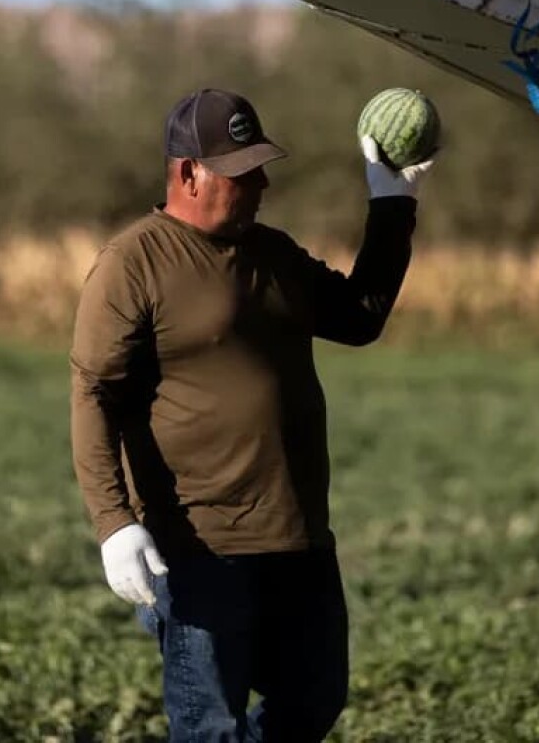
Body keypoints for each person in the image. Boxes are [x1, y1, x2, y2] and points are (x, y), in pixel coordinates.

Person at [70, 88, 434, 741]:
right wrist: (114, 523)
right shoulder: (133, 263)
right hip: (203, 545)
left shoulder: (273, 252)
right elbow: (94, 394)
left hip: (297, 535)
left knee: (314, 699)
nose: (262, 181)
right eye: (242, 171)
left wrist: (392, 203)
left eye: (261, 164)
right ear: (187, 173)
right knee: (211, 725)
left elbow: (359, 316)